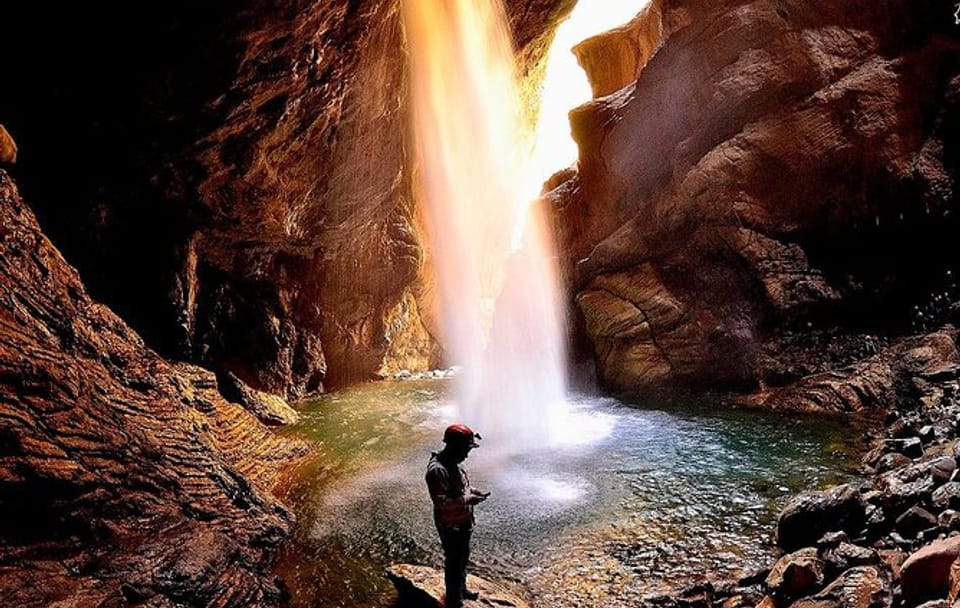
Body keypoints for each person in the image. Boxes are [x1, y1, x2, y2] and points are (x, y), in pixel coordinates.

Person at [425, 423, 490, 607]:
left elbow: (460, 488)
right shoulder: (437, 470)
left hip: (461, 522)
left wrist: (473, 492)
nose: (467, 454)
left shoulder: (453, 464)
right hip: (450, 525)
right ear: (453, 446)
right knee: (453, 561)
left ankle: (461, 589)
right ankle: (454, 600)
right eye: (466, 449)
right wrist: (467, 500)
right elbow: (442, 503)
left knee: (462, 557)